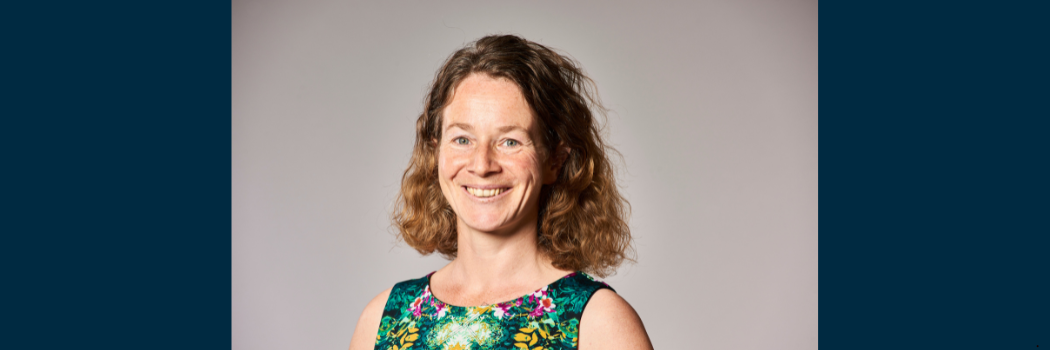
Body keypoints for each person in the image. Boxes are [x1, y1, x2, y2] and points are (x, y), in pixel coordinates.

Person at [349, 35, 653, 350]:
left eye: (510, 141)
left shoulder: (598, 322)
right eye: (462, 139)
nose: (482, 165)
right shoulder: (383, 320)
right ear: (435, 151)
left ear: (554, 160)